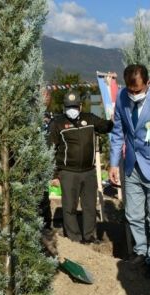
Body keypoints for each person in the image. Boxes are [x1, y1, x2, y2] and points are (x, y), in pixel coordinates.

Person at [109, 64, 150, 279]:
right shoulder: (122, 97)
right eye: (130, 90)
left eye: (137, 91)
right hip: (131, 165)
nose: (133, 95)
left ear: (148, 83)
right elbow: (118, 132)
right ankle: (140, 250)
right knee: (133, 214)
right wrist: (112, 163)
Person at [48, 90, 113, 243]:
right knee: (69, 207)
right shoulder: (57, 123)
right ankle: (74, 239)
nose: (72, 109)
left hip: (89, 172)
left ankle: (89, 236)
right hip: (68, 172)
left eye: (75, 106)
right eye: (69, 107)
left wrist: (112, 120)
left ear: (81, 106)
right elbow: (50, 149)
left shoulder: (89, 119)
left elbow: (105, 127)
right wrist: (54, 175)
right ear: (64, 107)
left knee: (90, 206)